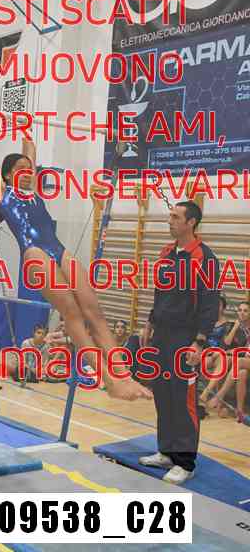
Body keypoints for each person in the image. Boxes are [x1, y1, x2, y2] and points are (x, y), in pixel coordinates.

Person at [0, 99, 151, 402]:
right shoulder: (2, 193)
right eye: (20, 169)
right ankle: (108, 379)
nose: (27, 172)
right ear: (6, 176)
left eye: (29, 169)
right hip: (34, 252)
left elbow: (30, 145)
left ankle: (124, 375)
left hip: (57, 249)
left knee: (94, 310)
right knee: (71, 311)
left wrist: (23, 124)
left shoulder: (34, 191)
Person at [139, 202, 220, 485]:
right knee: (163, 394)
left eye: (175, 217)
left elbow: (210, 305)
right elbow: (160, 293)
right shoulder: (166, 253)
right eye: (170, 215)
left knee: (183, 400)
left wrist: (199, 342)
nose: (169, 220)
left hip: (185, 339)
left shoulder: (205, 259)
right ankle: (166, 451)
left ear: (191, 222)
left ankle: (185, 462)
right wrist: (150, 322)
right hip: (161, 335)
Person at [208, 300, 250, 423]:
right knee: (241, 372)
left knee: (238, 361)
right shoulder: (236, 327)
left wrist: (230, 351)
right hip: (244, 360)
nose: (242, 313)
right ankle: (239, 412)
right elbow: (227, 344)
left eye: (245, 311)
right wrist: (235, 327)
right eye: (240, 310)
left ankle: (219, 396)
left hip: (243, 359)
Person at [199, 293, 231, 405]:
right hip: (205, 353)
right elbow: (200, 338)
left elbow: (226, 343)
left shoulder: (227, 324)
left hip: (218, 354)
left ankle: (206, 394)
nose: (216, 307)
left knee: (223, 360)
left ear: (223, 308)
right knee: (203, 363)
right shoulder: (206, 321)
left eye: (219, 305)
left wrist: (217, 352)